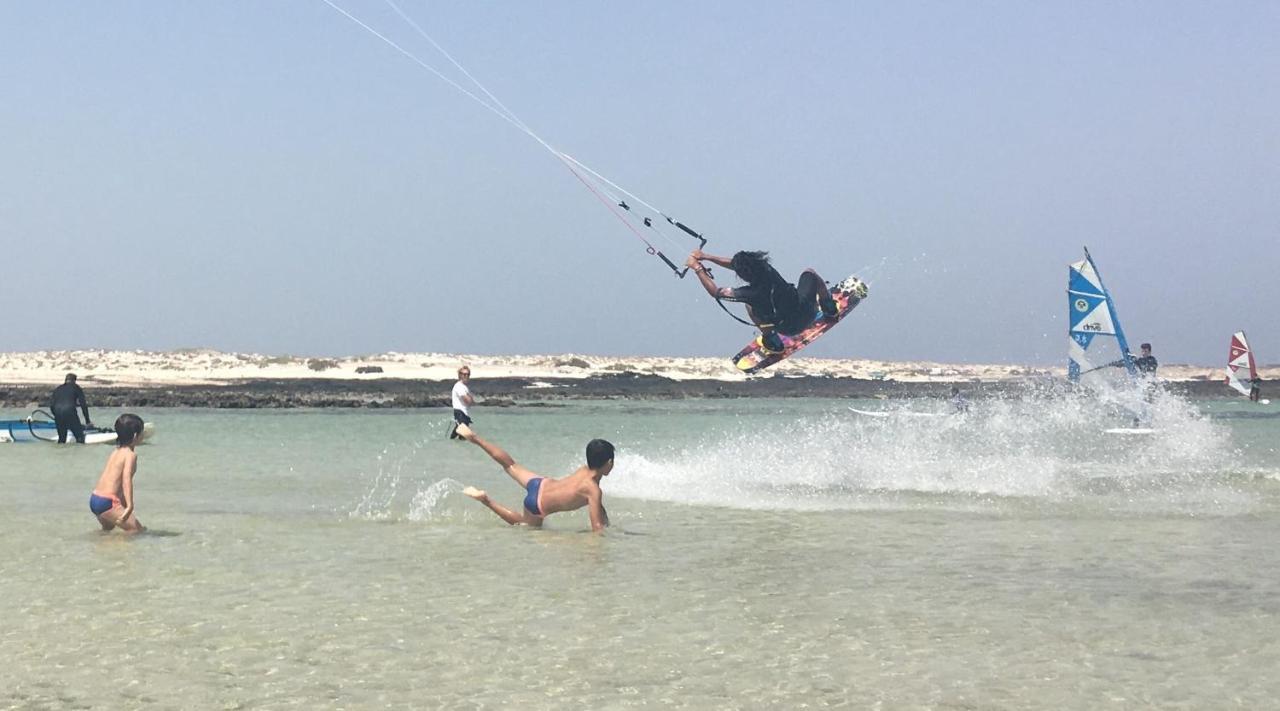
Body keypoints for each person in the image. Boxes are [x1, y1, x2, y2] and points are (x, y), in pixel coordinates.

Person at [457, 424, 614, 532]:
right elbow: (597, 529)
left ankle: (474, 438)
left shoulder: (584, 469)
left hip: (540, 484)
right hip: (537, 505)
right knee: (523, 525)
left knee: (510, 464)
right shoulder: (593, 490)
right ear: (609, 463)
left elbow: (596, 505)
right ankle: (486, 500)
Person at [685, 249, 839, 353]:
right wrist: (707, 257)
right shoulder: (766, 269)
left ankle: (773, 340)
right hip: (808, 311)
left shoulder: (747, 293)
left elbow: (715, 292)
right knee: (809, 273)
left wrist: (697, 267)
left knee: (750, 307)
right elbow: (739, 265)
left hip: (784, 328)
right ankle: (829, 309)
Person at [89, 414, 146, 533]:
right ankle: (121, 551)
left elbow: (116, 482)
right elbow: (126, 480)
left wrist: (124, 506)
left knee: (108, 529)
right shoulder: (130, 455)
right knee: (136, 530)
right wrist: (130, 506)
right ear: (136, 435)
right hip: (107, 502)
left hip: (95, 498)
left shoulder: (116, 452)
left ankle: (103, 549)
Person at [50, 373, 92, 444]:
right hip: (70, 412)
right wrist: (87, 421)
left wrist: (57, 416)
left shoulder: (58, 389)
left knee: (62, 439)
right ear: (74, 381)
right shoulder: (76, 387)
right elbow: (83, 404)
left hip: (58, 414)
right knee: (80, 438)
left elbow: (51, 405)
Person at [447, 365, 475, 440]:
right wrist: (470, 398)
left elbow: (471, 401)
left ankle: (452, 445)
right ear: (460, 375)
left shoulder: (464, 387)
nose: (466, 376)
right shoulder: (459, 386)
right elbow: (468, 401)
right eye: (464, 374)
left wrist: (470, 399)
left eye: (468, 374)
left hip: (464, 413)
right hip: (460, 413)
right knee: (463, 435)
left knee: (462, 435)